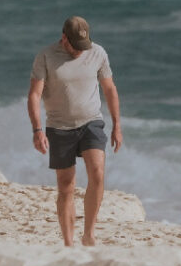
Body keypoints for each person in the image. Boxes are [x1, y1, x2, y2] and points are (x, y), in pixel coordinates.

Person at [26, 16, 123, 247]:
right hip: (59, 127)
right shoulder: (46, 56)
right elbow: (34, 95)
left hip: (91, 122)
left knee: (97, 173)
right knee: (66, 186)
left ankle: (89, 234)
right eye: (76, 47)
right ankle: (69, 243)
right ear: (64, 38)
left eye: (84, 46)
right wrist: (37, 130)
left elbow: (109, 89)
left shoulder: (98, 53)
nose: (81, 51)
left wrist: (117, 125)